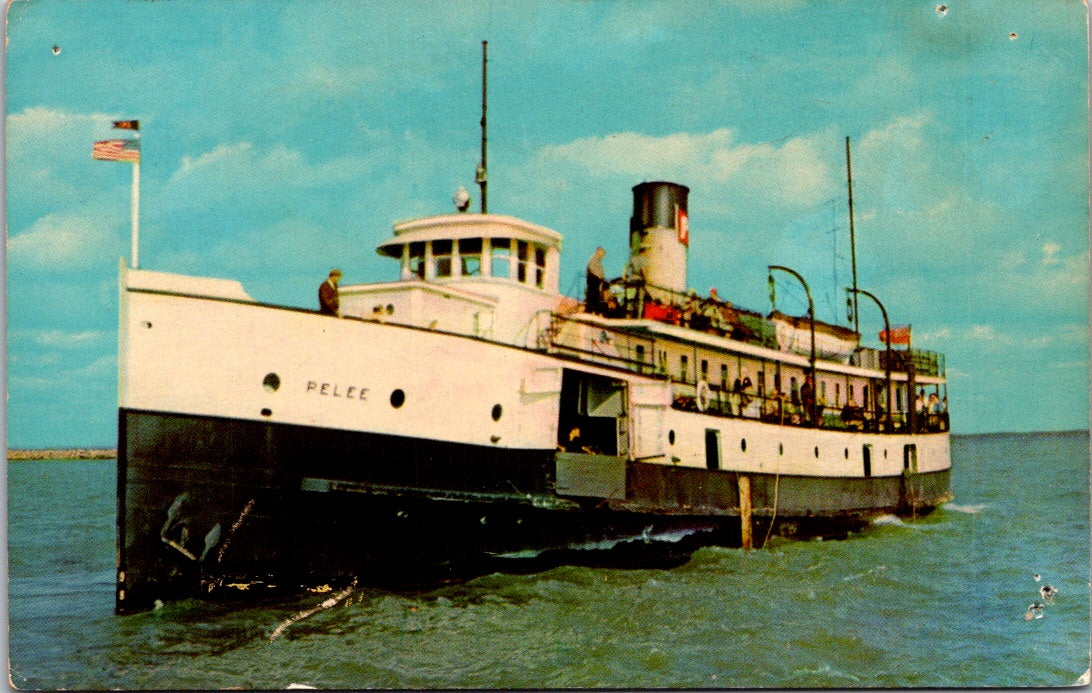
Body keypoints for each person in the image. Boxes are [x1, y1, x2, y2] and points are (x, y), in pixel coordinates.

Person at [585, 247, 607, 314]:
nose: (603, 256)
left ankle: (595, 310)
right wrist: (599, 276)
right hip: (593, 279)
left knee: (596, 295)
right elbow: (591, 268)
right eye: (602, 253)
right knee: (592, 294)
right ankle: (591, 310)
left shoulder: (597, 260)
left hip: (596, 280)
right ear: (598, 252)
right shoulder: (593, 259)